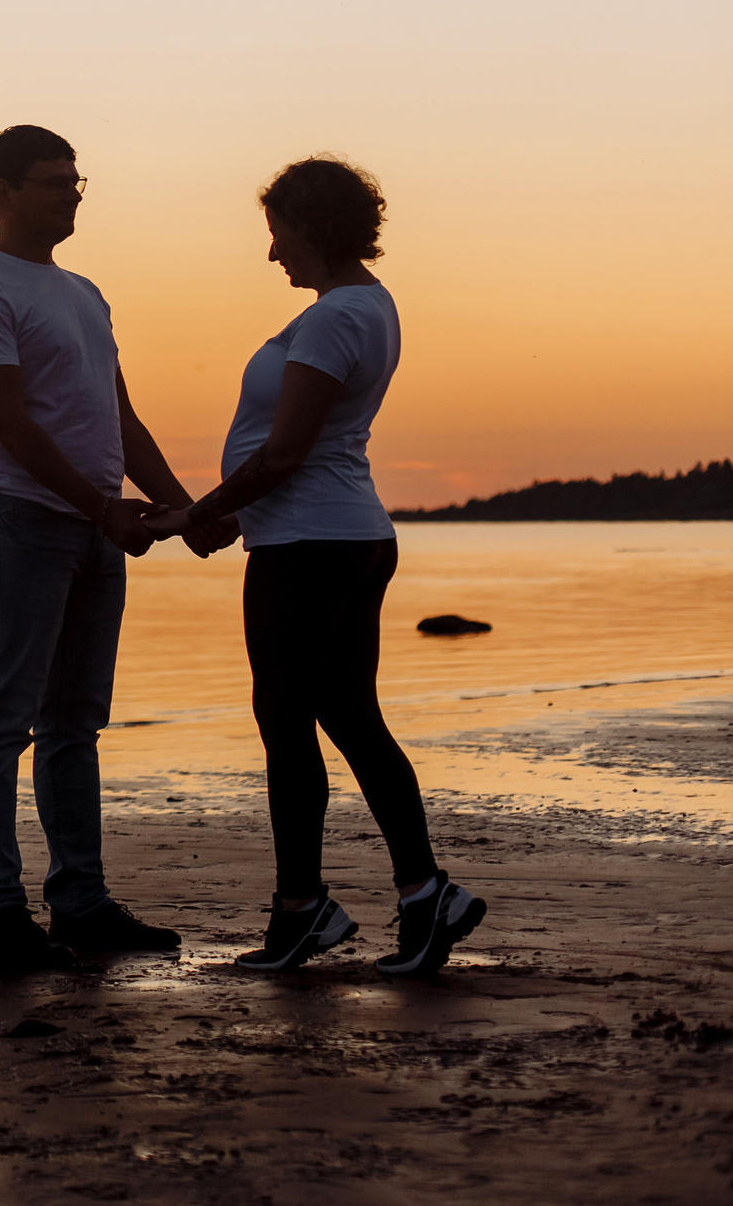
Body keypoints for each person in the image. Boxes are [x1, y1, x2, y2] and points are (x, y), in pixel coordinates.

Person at [146, 157, 487, 975]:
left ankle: (302, 909)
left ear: (316, 227)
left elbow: (286, 452)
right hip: (344, 534)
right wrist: (224, 508)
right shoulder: (367, 306)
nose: (273, 255)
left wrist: (196, 514)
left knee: (288, 725)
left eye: (279, 235)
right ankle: (422, 892)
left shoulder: (338, 317)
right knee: (348, 716)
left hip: (308, 544)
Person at [0, 126, 194, 973]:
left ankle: (80, 901)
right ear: (2, 191)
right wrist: (98, 504)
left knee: (75, 723)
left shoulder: (86, 293)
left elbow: (118, 416)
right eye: (53, 182)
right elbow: (10, 423)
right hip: (23, 524)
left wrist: (178, 502)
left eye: (77, 180)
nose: (72, 194)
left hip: (95, 530)